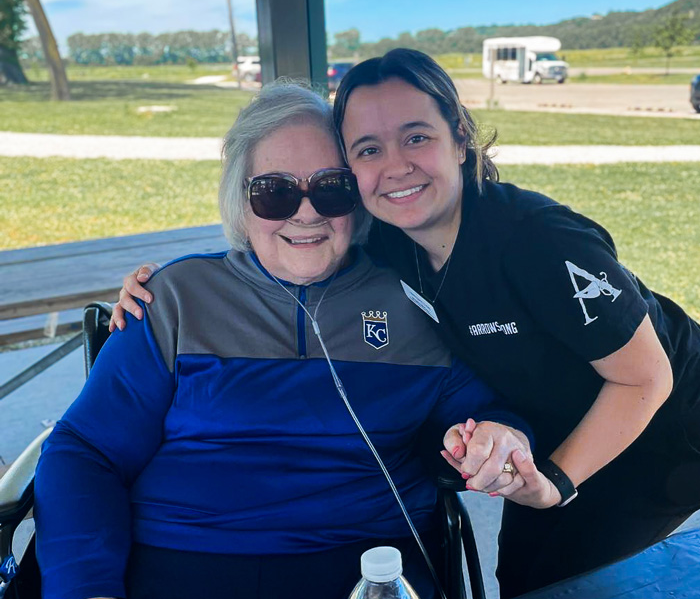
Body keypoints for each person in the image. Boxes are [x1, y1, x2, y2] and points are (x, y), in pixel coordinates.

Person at [116, 51, 700, 598]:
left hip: (661, 430)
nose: (395, 167)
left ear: (460, 137)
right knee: (521, 575)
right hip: (548, 426)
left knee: (574, 584)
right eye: (368, 150)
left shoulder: (539, 242)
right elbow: (292, 233)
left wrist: (556, 481)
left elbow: (646, 378)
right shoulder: (392, 239)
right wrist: (168, 288)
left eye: (416, 137)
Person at [35, 81, 533, 599]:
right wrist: (86, 587)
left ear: (359, 195)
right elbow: (86, 451)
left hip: (369, 564)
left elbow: (489, 413)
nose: (307, 212)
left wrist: (500, 435)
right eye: (274, 192)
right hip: (185, 557)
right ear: (240, 201)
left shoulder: (414, 298)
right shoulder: (175, 299)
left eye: (331, 188)